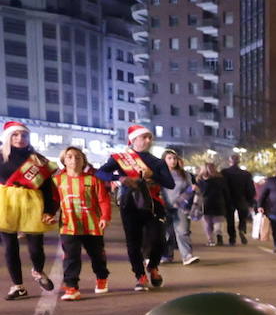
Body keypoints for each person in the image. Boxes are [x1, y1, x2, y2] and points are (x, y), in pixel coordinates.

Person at [95, 123, 174, 291]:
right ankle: (140, 276)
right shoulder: (119, 158)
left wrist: (153, 175)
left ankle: (153, 266)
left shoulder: (157, 162)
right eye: (144, 137)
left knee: (158, 239)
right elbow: (100, 173)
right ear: (133, 140)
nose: (148, 140)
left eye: (149, 138)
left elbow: (170, 183)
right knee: (133, 242)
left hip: (153, 204)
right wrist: (120, 178)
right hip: (129, 203)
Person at [1, 120, 58, 300]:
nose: (20, 138)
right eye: (15, 135)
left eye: (24, 135)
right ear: (8, 137)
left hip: (33, 203)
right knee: (10, 247)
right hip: (6, 203)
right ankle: (18, 286)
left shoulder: (38, 160)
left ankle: (38, 271)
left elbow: (48, 188)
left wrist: (49, 210)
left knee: (35, 247)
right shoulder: (1, 156)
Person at [52, 147, 111, 300]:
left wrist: (105, 217)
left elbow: (103, 200)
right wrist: (49, 214)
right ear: (64, 160)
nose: (74, 160)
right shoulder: (57, 181)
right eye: (70, 157)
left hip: (92, 225)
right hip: (68, 225)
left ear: (83, 160)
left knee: (97, 255)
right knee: (71, 256)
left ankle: (101, 277)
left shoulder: (92, 180)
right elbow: (53, 201)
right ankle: (71, 288)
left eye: (78, 157)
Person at [162, 150, 199, 266]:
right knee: (166, 233)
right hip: (164, 207)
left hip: (181, 207)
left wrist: (191, 190)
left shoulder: (185, 174)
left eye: (174, 158)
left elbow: (191, 189)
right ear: (164, 160)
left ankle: (187, 255)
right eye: (169, 158)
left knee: (183, 231)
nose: (172, 161)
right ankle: (166, 255)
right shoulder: (159, 174)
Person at [222, 155, 257, 245]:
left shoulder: (224, 172)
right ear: (239, 161)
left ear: (229, 161)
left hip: (229, 199)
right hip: (242, 199)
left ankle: (232, 238)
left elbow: (222, 187)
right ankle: (241, 229)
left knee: (230, 219)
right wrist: (250, 201)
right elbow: (250, 188)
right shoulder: (246, 174)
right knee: (243, 218)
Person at [196, 162, 230, 246]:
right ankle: (219, 236)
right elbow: (226, 192)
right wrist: (228, 203)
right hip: (219, 203)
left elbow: (197, 192)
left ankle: (211, 240)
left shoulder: (200, 180)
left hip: (205, 203)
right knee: (218, 222)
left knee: (207, 223)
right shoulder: (221, 179)